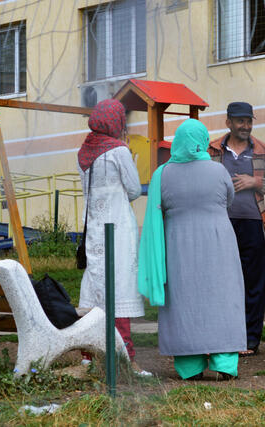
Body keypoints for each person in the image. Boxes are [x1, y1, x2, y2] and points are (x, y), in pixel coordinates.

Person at [138, 119, 246, 380]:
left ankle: (190, 367)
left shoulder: (162, 174)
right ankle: (224, 365)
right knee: (222, 297)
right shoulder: (218, 171)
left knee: (184, 298)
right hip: (218, 242)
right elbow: (229, 198)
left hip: (178, 244)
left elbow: (157, 207)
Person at [77, 99, 149, 375]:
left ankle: (88, 356)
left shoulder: (83, 151)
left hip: (94, 227)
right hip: (118, 226)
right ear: (116, 122)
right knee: (118, 287)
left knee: (96, 285)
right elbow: (132, 189)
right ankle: (126, 359)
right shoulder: (118, 150)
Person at [208, 102, 265, 356]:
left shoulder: (261, 150)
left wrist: (255, 181)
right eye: (240, 121)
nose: (246, 126)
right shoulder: (212, 149)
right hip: (220, 225)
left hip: (253, 225)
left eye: (249, 121)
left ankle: (251, 341)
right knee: (221, 282)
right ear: (228, 122)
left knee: (253, 284)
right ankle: (224, 337)